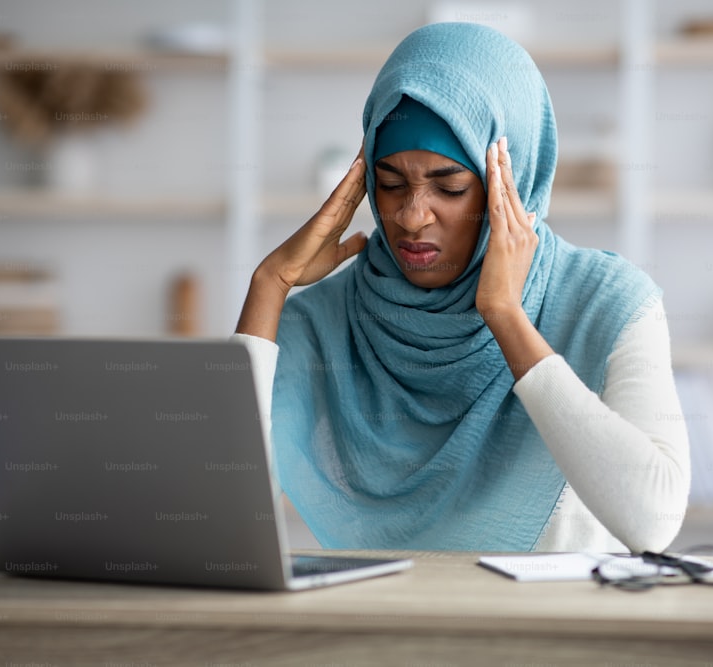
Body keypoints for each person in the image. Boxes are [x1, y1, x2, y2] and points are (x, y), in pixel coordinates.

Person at [234, 22, 690, 553]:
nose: (411, 216)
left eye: (449, 187)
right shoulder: (323, 323)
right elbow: (221, 516)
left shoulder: (607, 301)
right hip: (381, 628)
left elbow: (653, 520)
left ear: (511, 183)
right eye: (389, 183)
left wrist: (506, 316)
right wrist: (269, 286)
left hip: (557, 629)